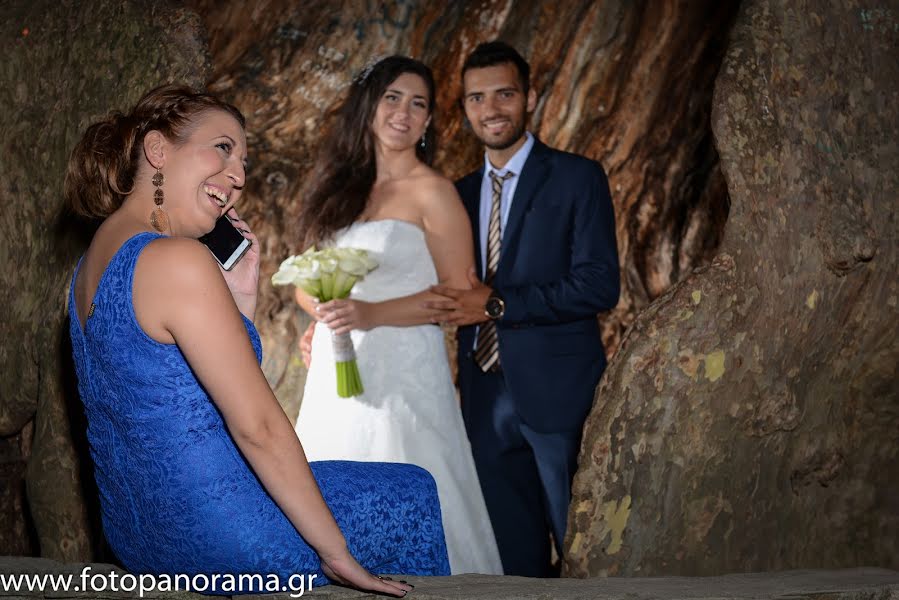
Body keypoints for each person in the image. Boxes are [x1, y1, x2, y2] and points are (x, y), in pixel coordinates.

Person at [65, 84, 449, 596]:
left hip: (138, 539)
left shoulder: (85, 270)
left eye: (244, 161)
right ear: (158, 150)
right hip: (225, 538)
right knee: (411, 490)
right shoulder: (176, 260)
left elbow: (176, 400)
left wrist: (241, 298)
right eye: (222, 148)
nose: (238, 176)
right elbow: (258, 427)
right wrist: (334, 553)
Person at [293, 56, 503, 576]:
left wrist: (368, 312)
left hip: (405, 362)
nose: (404, 112)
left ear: (429, 121)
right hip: (337, 365)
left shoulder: (434, 191)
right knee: (329, 471)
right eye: (392, 97)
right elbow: (303, 281)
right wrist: (323, 316)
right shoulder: (337, 189)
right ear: (369, 105)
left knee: (408, 470)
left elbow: (460, 296)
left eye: (418, 104)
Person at [424, 41, 621, 577]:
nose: (492, 109)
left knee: (583, 548)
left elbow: (600, 285)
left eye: (505, 94)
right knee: (511, 560)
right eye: (477, 98)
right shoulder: (456, 194)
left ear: (531, 97)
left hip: (560, 395)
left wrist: (495, 303)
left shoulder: (577, 177)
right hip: (483, 400)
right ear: (464, 108)